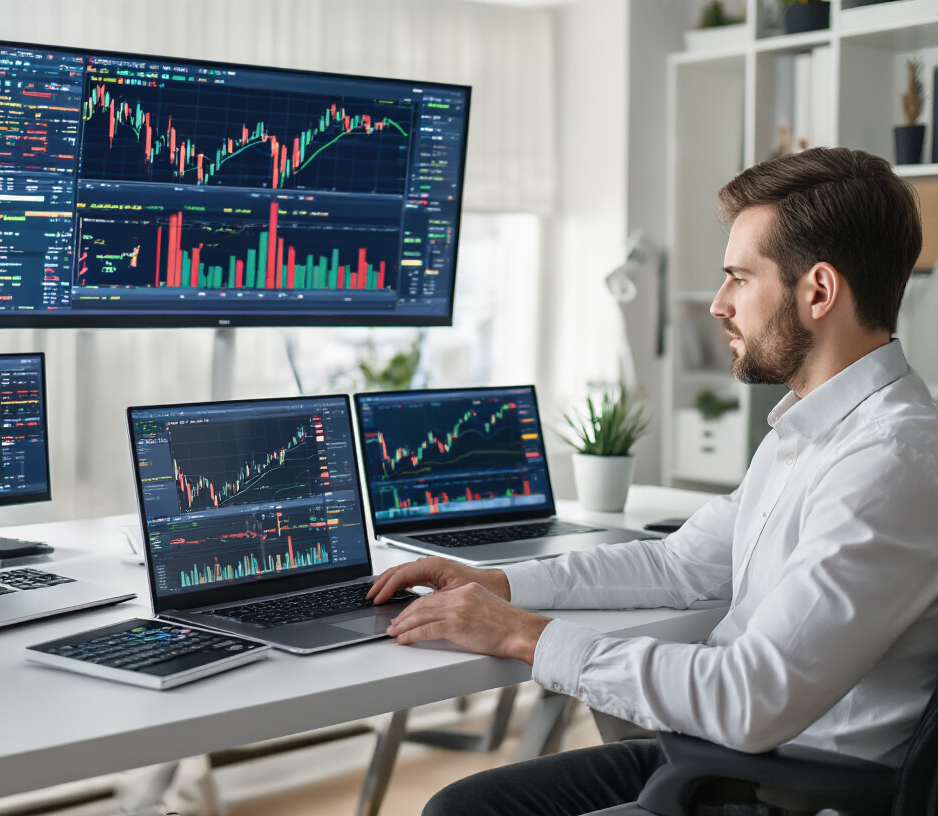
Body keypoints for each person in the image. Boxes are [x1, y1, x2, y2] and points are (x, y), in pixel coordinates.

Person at [367, 147, 938, 816]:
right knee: (462, 808)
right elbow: (681, 563)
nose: (720, 305)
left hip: (789, 787)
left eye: (739, 278)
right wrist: (499, 585)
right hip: (722, 759)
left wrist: (525, 635)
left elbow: (750, 699)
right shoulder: (811, 430)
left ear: (818, 291)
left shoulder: (891, 460)